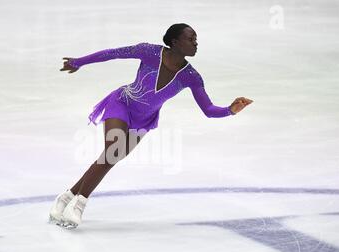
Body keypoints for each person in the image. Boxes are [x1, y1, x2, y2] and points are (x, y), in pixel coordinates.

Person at [50, 23, 253, 229]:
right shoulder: (149, 52)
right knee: (111, 152)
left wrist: (230, 109)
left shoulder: (190, 77)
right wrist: (79, 62)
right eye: (191, 39)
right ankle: (79, 206)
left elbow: (208, 109)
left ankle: (66, 197)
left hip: (145, 119)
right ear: (175, 42)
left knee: (110, 159)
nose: (195, 43)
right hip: (123, 103)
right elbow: (113, 53)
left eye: (196, 39)